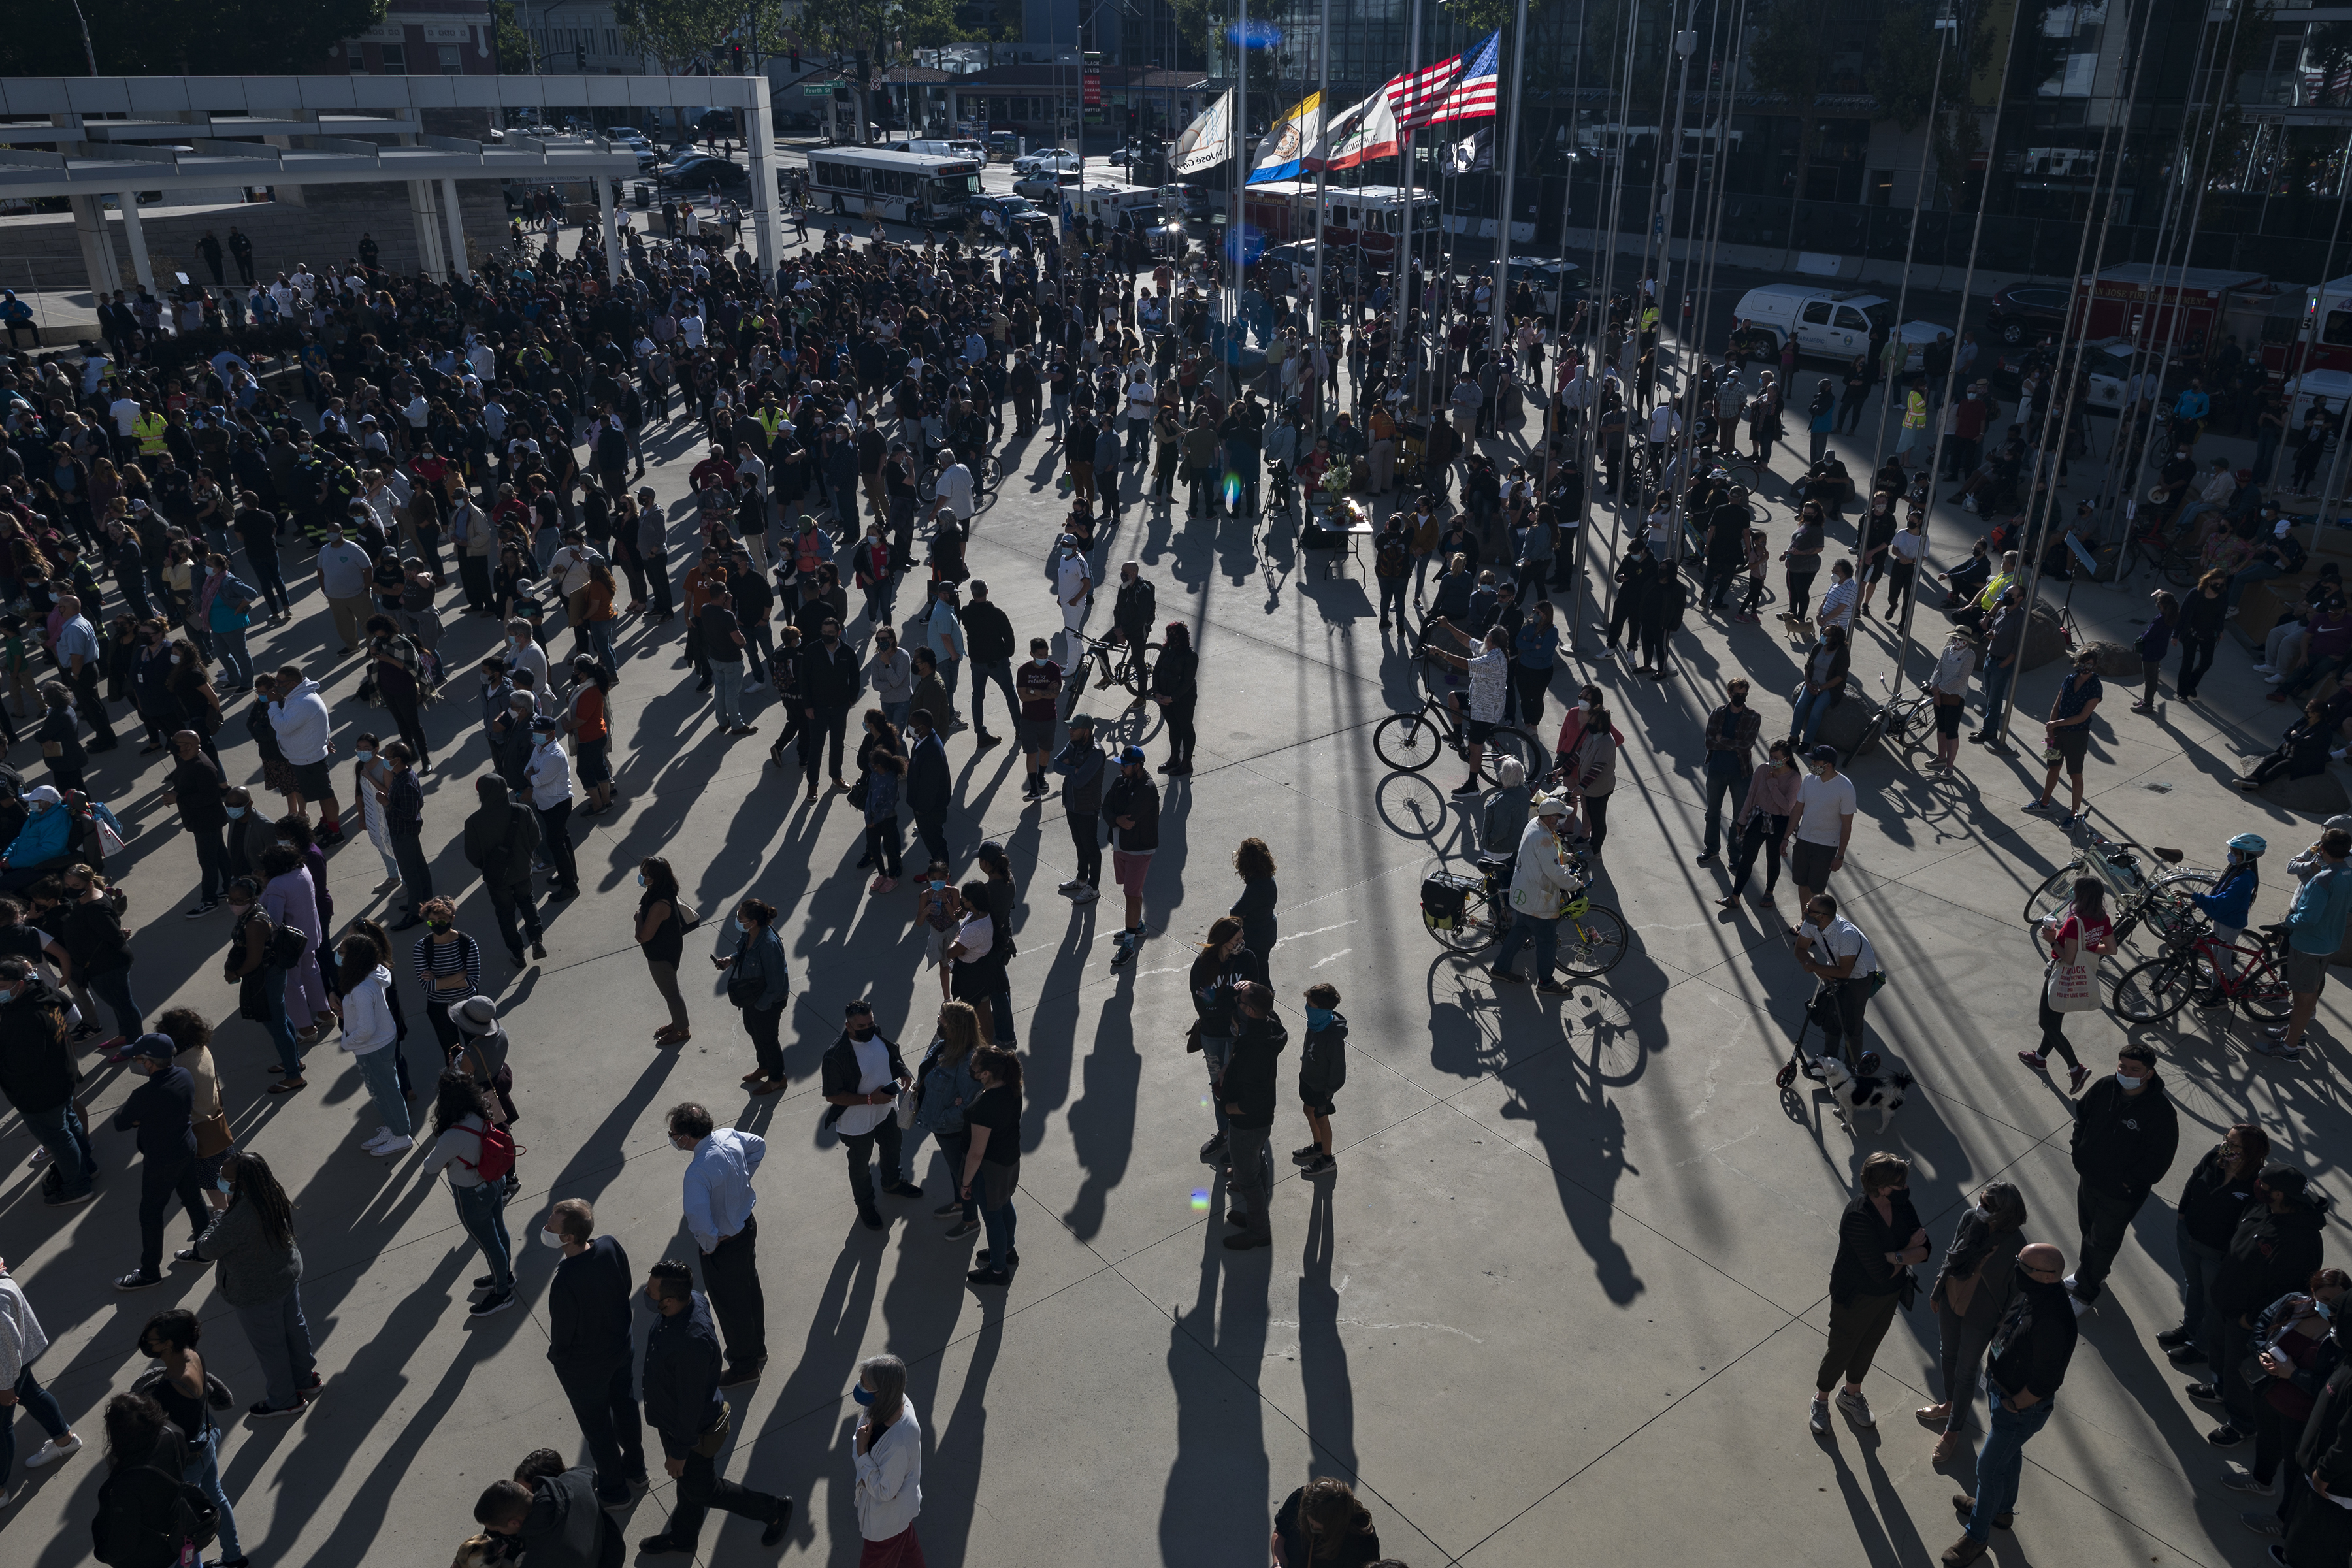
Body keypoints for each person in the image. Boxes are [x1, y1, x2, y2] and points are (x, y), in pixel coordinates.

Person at [636, 1260, 793, 1556]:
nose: (646, 1293)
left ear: (668, 1301)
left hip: (691, 1431)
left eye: (651, 1291)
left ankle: (774, 1510)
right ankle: (683, 1537)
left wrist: (679, 1452)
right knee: (690, 1485)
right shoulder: (693, 1298)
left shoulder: (690, 1346)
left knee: (704, 1489)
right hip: (674, 1422)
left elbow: (692, 1406)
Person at [1943, 1243, 2079, 1565]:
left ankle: (1976, 1538)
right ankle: (2001, 1511)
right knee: (2008, 1454)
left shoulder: (2054, 1320)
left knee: (1988, 1467)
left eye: (2023, 1265)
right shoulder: (2034, 1293)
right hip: (2002, 1393)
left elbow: (2046, 1381)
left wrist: (2016, 1405)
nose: (2017, 1267)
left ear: (2047, 1276)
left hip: (2019, 1408)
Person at [2200, 1164, 2332, 1449]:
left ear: (2282, 1195)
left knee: (2243, 1373)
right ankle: (2221, 1390)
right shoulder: (2263, 1208)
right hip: (2226, 1303)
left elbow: (2289, 1291)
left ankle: (2243, 1424)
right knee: (2220, 1352)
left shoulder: (2303, 1240)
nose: (2257, 1188)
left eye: (2265, 1186)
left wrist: (2252, 1319)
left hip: (2248, 1319)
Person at [187, 1149, 316, 1418]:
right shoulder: (270, 1194)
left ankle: (285, 1400)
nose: (220, 1179)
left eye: (224, 1177)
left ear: (240, 1183)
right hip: (286, 1277)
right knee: (296, 1328)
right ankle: (307, 1379)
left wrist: (218, 1217)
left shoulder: (237, 1217)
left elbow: (206, 1248)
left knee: (271, 1348)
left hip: (257, 1293)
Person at [540, 1197, 648, 1507]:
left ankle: (615, 1491)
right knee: (625, 1406)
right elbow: (625, 1284)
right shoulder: (610, 1246)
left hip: (585, 1369)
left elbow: (563, 1333)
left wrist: (558, 1359)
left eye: (551, 1225)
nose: (545, 1226)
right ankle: (637, 1470)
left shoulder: (566, 1281)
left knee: (598, 1428)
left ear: (568, 1238)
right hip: (620, 1349)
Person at [1812, 1151, 1928, 1437]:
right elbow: (1879, 1271)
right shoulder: (1858, 1215)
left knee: (1869, 1343)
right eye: (1900, 1185)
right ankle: (1821, 1399)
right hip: (1855, 1294)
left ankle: (1852, 1394)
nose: (1906, 1189)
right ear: (1882, 1187)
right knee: (1842, 1347)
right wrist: (1905, 1253)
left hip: (1888, 1295)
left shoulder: (1901, 1205)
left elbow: (1926, 1250)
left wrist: (1893, 1256)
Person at [1917, 1181, 2029, 1464]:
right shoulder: (1970, 1219)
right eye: (1981, 1200)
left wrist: (2000, 1331)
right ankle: (1950, 1404)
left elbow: (2016, 1295)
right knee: (1946, 1355)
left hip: (1981, 1318)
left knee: (1966, 1373)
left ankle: (1952, 1431)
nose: (1980, 1207)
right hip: (1950, 1303)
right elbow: (1951, 1256)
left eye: (1988, 1205)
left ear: (2004, 1214)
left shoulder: (2017, 1246)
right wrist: (1938, 1291)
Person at [2065, 1043, 2178, 1313]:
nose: (2126, 1072)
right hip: (2090, 1178)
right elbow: (2082, 1116)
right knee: (2088, 1230)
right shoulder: (2105, 1087)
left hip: (2121, 1192)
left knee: (2103, 1241)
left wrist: (2129, 1181)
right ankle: (2089, 1273)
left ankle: (2084, 1294)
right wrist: (2078, 1150)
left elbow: (2159, 1158)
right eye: (2122, 1066)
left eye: (2134, 1069)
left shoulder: (2160, 1111)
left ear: (2149, 1073)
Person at [129, 1311, 244, 1568]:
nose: (148, 1343)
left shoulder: (172, 1386)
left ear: (169, 1344)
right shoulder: (193, 1356)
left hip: (188, 1461)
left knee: (186, 1525)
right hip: (206, 1440)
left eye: (153, 1340)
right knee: (216, 1497)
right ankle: (234, 1557)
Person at [666, 1101, 768, 1385]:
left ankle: (744, 1366)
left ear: (687, 1137)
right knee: (749, 1289)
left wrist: (710, 1244)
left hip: (726, 1244)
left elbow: (698, 1219)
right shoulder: (729, 1136)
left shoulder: (698, 1172)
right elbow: (758, 1146)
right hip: (747, 1227)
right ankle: (757, 1348)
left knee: (730, 1307)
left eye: (674, 1134)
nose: (673, 1139)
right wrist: (741, 1182)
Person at [2161, 1122, 2270, 1379]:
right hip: (2188, 1237)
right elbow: (2193, 1180)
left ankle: (2201, 1346)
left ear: (2251, 1153)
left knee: (2213, 1301)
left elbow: (2250, 1225)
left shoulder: (2257, 1185)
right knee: (2193, 1285)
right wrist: (2182, 1215)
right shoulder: (2215, 1157)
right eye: (2226, 1139)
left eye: (2233, 1145)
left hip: (2219, 1253)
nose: (2226, 1147)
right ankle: (2189, 1329)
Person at [112, 1033, 209, 1292]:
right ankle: (206, 1248)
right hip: (187, 1147)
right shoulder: (184, 1075)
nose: (137, 1063)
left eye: (139, 1059)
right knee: (193, 1198)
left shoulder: (144, 1094)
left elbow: (120, 1123)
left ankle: (150, 1272)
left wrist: (141, 1119)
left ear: (150, 1063)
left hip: (162, 1160)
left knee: (151, 1213)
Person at [417, 1070, 517, 1318]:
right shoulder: (482, 1111)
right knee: (499, 1231)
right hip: (495, 1182)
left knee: (489, 1243)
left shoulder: (452, 1135)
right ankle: (504, 1275)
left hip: (472, 1194)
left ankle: (502, 1293)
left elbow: (430, 1167)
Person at [0, 956, 95, 1205]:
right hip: (62, 1078)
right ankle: (88, 1166)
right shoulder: (45, 996)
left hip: (40, 1092)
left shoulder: (24, 1019)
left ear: (19, 984)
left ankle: (77, 1188)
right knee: (70, 1126)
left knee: (58, 1139)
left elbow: (23, 1065)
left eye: (1, 985)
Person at [2264, 826, 2352, 1061]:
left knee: (2302, 998)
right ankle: (2294, 1032)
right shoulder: (2348, 874)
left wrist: (2289, 921)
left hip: (2308, 947)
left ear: (2322, 849)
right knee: (2311, 992)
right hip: (2330, 944)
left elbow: (2307, 918)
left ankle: (2290, 1047)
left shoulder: (2322, 879)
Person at [2019, 877, 2113, 1092]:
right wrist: (2086, 949)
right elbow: (2110, 948)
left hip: (2062, 972)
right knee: (2054, 1021)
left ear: (2081, 896)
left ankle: (2075, 1069)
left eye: (2075, 891)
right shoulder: (2103, 918)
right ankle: (2039, 1058)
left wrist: (2051, 939)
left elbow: (2068, 958)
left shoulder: (2074, 922)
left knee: (2047, 1023)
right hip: (2082, 973)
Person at [0, 1254, 83, 1494]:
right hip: (20, 1356)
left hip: (9, 1366)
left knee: (2, 1424)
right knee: (31, 1394)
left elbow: (7, 1349)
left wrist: (5, 1386)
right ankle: (65, 1440)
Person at [1492, 796, 1584, 992]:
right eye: (1560, 817)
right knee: (1547, 942)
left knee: (1521, 930)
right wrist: (1576, 885)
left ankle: (1500, 968)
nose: (1562, 820)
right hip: (1538, 901)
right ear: (1550, 818)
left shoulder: (1535, 822)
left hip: (1523, 894)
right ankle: (1546, 983)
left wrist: (1567, 857)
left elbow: (1551, 855)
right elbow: (1556, 873)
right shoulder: (1542, 839)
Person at [334, 934, 413, 1155]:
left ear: (356, 958)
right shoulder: (372, 974)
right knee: (383, 1089)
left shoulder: (361, 989)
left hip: (373, 1048)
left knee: (385, 1092)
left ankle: (401, 1136)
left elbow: (366, 1029)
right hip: (382, 1043)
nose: (338, 956)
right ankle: (393, 1127)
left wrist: (348, 1042)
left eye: (342, 953)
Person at [460, 776, 546, 966]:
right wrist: (525, 856)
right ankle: (536, 941)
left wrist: (487, 866)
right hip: (523, 870)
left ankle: (517, 953)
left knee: (505, 914)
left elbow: (472, 855)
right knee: (527, 902)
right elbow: (536, 838)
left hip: (496, 878)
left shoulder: (474, 822)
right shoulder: (522, 811)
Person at [1793, 893, 1882, 1073]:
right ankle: (1829, 1060)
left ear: (1823, 917)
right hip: (1831, 970)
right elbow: (1800, 949)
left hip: (1858, 978)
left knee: (1852, 1026)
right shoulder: (1812, 923)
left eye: (1809, 909)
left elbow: (1845, 972)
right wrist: (1813, 966)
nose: (1805, 911)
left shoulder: (1846, 934)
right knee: (1832, 1017)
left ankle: (1852, 1070)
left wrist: (1815, 967)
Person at [850, 1354, 924, 1567]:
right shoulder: (887, 1402)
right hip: (897, 1516)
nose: (859, 1387)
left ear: (882, 1392)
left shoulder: (899, 1441)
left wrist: (862, 1450)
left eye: (865, 1384)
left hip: (885, 1524)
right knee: (908, 1552)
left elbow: (885, 1492)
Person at [959, 1045, 1025, 1284]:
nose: (971, 1068)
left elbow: (976, 1153)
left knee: (993, 1217)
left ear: (986, 1074)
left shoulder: (986, 1107)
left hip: (989, 1170)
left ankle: (998, 1270)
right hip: (1009, 1162)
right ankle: (1008, 1250)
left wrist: (965, 1183)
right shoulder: (1011, 1088)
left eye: (974, 1066)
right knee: (1005, 1204)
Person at [715, 898, 791, 1092]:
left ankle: (777, 1078)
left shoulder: (768, 944)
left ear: (754, 921)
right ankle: (764, 1066)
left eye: (741, 917)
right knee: (753, 1030)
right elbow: (742, 951)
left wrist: (761, 1006)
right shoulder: (748, 933)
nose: (738, 919)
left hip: (768, 1000)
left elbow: (776, 984)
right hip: (753, 995)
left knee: (768, 1038)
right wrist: (730, 960)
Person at [1717, 740, 1802, 911]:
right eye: (1771, 756)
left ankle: (1769, 891)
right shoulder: (1763, 769)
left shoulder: (1794, 778)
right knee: (1747, 858)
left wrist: (1773, 784)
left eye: (1776, 758)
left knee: (1773, 858)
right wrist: (1742, 820)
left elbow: (1787, 805)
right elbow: (1751, 796)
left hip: (1779, 822)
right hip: (1758, 817)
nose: (1772, 761)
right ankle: (1735, 896)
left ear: (1786, 759)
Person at [2025, 650, 2104, 823]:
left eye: (2089, 665)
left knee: (2075, 774)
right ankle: (2044, 802)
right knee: (2053, 767)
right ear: (2078, 664)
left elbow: (2083, 717)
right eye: (2083, 664)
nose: (2086, 668)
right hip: (2057, 734)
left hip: (2077, 737)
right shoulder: (2069, 679)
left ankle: (2074, 815)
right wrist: (2050, 731)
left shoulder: (2096, 686)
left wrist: (2056, 725)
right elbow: (2056, 706)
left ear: (2094, 666)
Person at [1782, 744, 1855, 921]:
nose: (1812, 763)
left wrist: (1840, 856)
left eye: (1816, 761)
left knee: (1817, 890)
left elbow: (1847, 825)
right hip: (1804, 840)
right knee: (1802, 883)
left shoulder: (1845, 788)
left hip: (1826, 846)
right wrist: (1786, 837)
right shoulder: (1809, 780)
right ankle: (1804, 921)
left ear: (1828, 765)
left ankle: (1818, 925)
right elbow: (1798, 809)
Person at [1103, 745, 1161, 961]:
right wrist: (1116, 819)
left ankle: (1128, 944)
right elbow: (1106, 807)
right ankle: (1137, 926)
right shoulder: (1121, 782)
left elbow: (1131, 817)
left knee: (1132, 894)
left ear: (1137, 766)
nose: (1121, 769)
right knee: (1133, 891)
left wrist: (1116, 817)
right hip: (1121, 845)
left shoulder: (1148, 789)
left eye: (1125, 766)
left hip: (1139, 850)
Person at [1697, 679, 1761, 864]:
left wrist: (1722, 739)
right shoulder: (1717, 713)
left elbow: (1746, 746)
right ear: (1729, 693)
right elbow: (1709, 742)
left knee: (1739, 817)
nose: (1740, 697)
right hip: (1716, 770)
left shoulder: (1753, 717)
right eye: (1737, 693)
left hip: (1741, 773)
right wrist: (1731, 743)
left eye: (1743, 694)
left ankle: (1735, 853)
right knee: (1712, 813)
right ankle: (1711, 848)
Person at [635, 857, 693, 1047]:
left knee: (671, 993)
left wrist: (638, 919)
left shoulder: (660, 903)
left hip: (661, 955)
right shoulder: (660, 890)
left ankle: (681, 1030)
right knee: (671, 991)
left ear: (656, 878)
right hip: (667, 948)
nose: (642, 878)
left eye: (646, 875)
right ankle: (678, 1022)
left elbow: (644, 936)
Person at [1293, 981, 1347, 1178]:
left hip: (1321, 1088)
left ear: (1321, 1009)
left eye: (1310, 1005)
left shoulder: (1333, 1036)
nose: (1307, 1008)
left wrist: (1328, 1092)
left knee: (1321, 1118)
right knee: (1308, 1110)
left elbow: (1338, 1070)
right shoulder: (1315, 1024)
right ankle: (1318, 1146)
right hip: (1308, 1080)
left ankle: (1327, 1159)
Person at [1271, 1475, 1382, 1567]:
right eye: (1309, 1523)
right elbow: (1280, 1533)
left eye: (1317, 1528)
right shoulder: (1298, 1501)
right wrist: (1278, 1564)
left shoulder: (1363, 1541)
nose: (1312, 1529)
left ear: (1336, 1525)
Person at [1053, 713, 1105, 904]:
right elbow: (1056, 763)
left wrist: (1072, 768)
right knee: (1079, 842)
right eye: (1070, 727)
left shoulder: (1096, 753)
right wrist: (1074, 768)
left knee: (1090, 847)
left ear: (1086, 731)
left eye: (1074, 728)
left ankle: (1094, 887)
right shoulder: (1073, 744)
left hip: (1087, 808)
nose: (1070, 730)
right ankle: (1082, 879)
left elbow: (1081, 780)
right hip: (1072, 804)